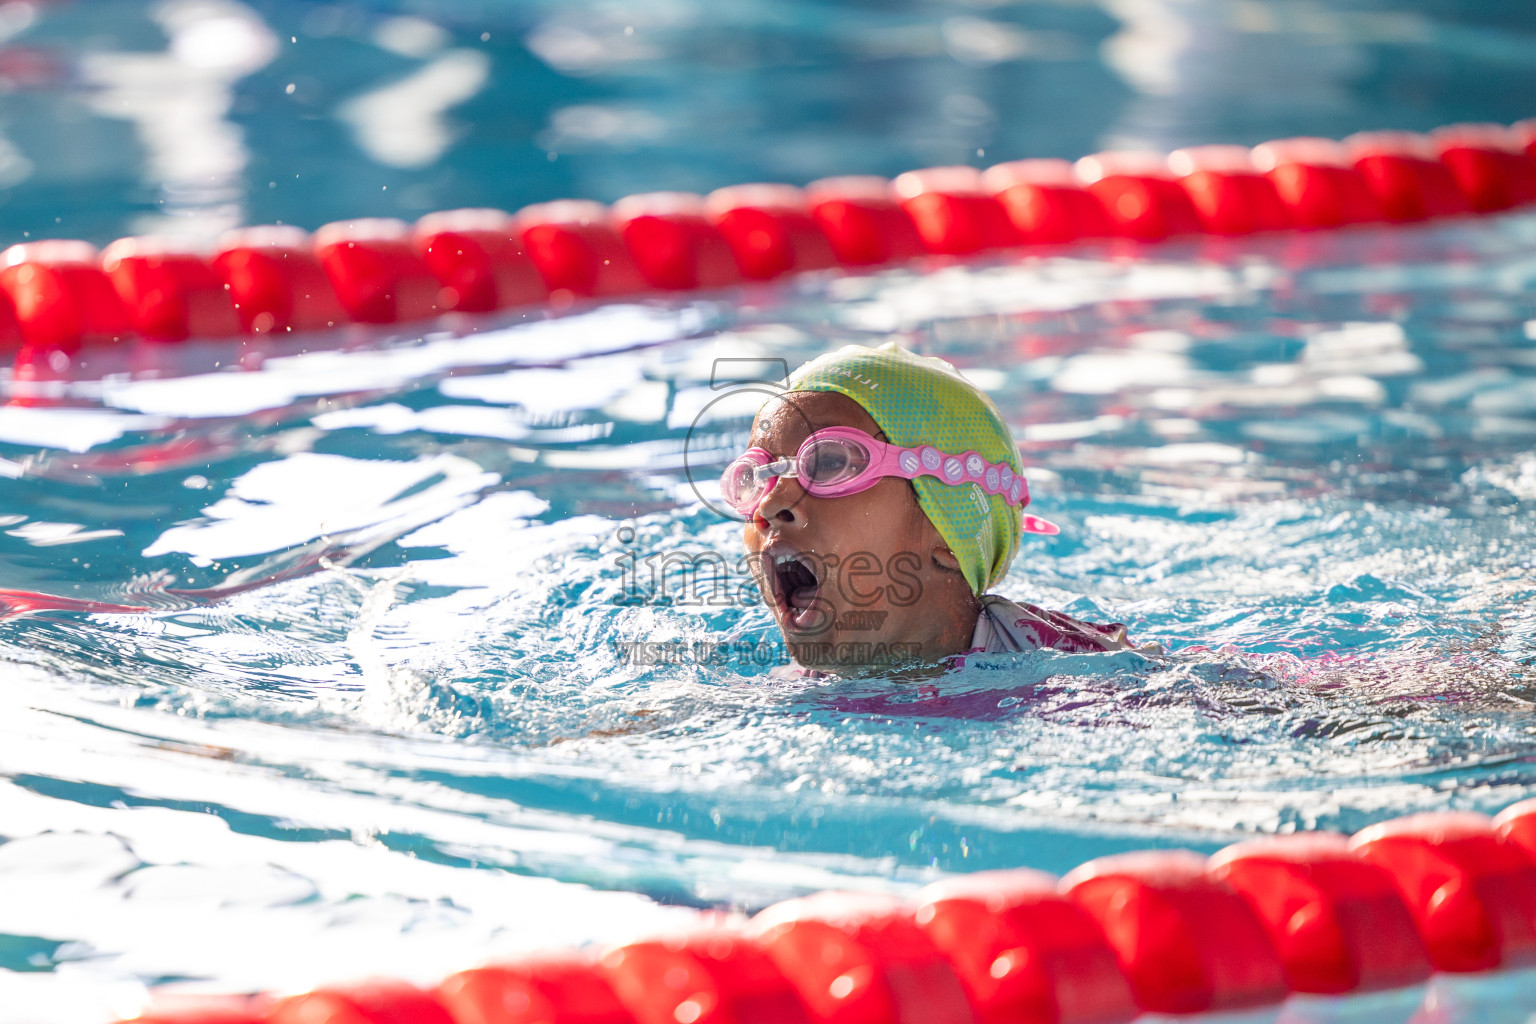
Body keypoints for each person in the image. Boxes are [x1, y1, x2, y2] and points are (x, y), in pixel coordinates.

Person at [721, 342, 1143, 673]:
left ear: (948, 527)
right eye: (756, 477)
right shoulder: (794, 690)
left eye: (830, 463)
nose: (772, 503)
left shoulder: (1069, 666)